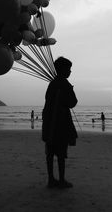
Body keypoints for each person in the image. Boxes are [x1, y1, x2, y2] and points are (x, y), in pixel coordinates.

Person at [42, 57, 78, 189]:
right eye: (69, 69)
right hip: (60, 123)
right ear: (62, 70)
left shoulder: (52, 84)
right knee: (61, 154)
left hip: (49, 122)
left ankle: (51, 180)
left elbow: (47, 100)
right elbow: (72, 103)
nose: (70, 71)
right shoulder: (65, 84)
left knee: (50, 153)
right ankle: (61, 180)